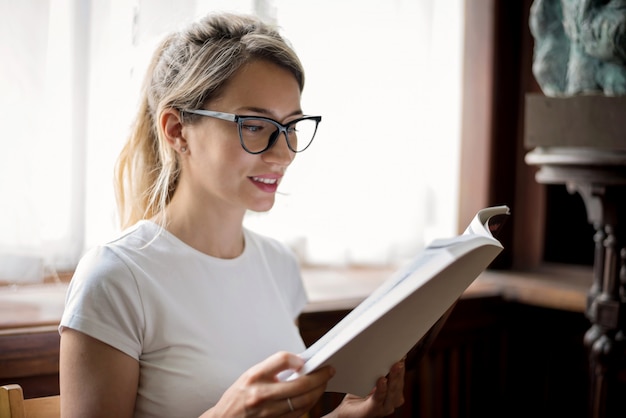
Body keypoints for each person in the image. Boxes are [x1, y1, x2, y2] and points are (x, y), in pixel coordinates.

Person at [59, 11, 405, 418]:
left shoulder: (279, 266)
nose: (284, 153)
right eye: (255, 125)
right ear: (176, 130)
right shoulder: (116, 277)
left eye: (292, 125)